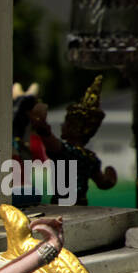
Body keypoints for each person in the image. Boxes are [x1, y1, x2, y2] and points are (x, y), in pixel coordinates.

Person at [31, 75, 117, 207]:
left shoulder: (66, 151)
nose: (62, 125)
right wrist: (110, 175)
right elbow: (104, 182)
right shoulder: (90, 157)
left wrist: (40, 124)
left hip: (62, 206)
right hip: (81, 204)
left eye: (66, 122)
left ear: (75, 128)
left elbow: (47, 137)